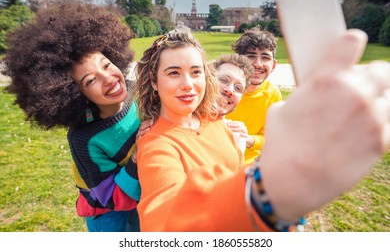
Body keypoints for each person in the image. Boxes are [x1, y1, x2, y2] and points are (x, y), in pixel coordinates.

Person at [133, 28, 390, 232]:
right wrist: (265, 193)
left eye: (196, 72)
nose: (188, 84)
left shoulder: (212, 118)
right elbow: (161, 225)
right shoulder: (156, 144)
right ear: (154, 82)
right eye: (173, 73)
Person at [2, 3, 144, 232]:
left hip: (142, 193)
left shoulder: (138, 90)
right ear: (75, 95)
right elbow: (109, 197)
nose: (109, 79)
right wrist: (138, 158)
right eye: (90, 80)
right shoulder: (85, 139)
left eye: (107, 65)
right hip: (107, 212)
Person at [226, 28, 282, 164]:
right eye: (251, 56)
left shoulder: (272, 94)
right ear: (238, 61)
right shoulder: (221, 88)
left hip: (248, 166)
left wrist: (248, 139)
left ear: (273, 65)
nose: (258, 64)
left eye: (265, 57)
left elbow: (271, 139)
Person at [213, 53, 254, 154]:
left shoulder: (236, 137)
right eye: (223, 80)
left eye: (238, 88)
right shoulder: (183, 122)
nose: (230, 90)